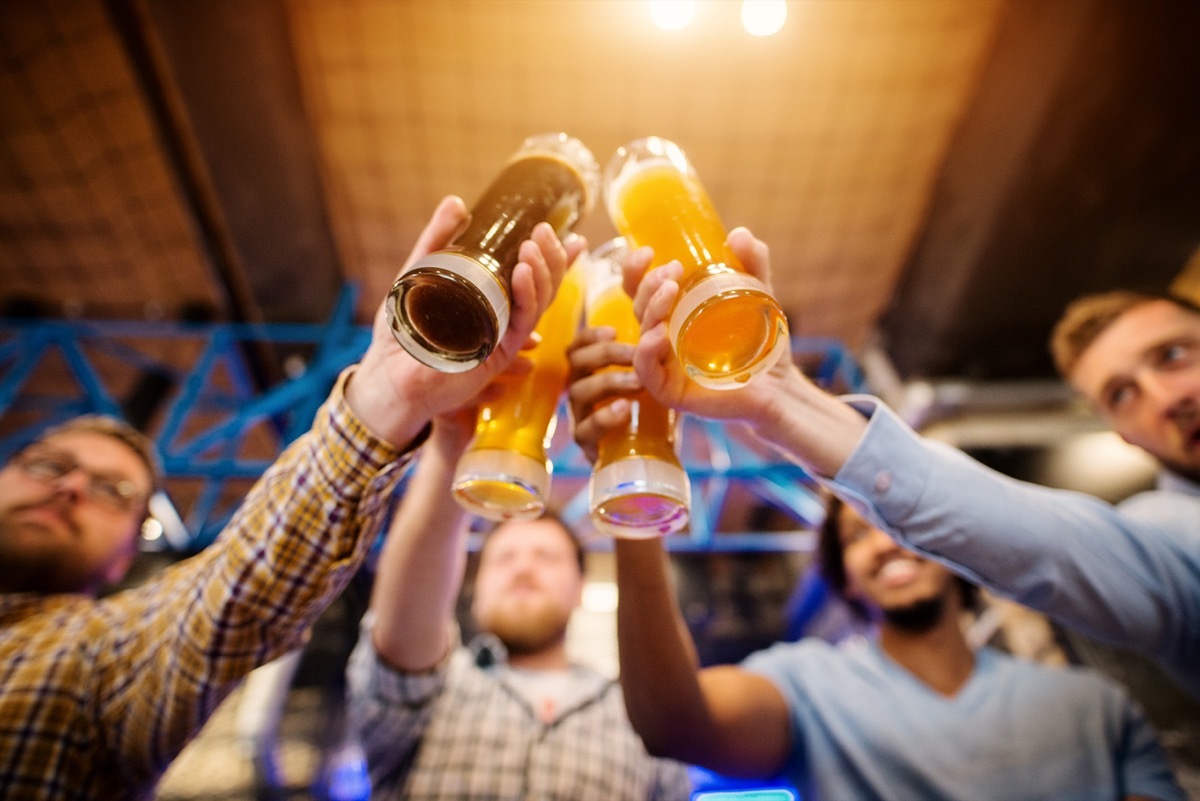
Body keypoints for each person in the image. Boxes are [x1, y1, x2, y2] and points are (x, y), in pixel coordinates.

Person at [0, 194, 582, 801]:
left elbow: (238, 593)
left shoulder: (92, 661)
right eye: (49, 464)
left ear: (127, 555)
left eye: (110, 490)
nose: (68, 488)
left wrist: (391, 395)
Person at [575, 233, 1200, 702]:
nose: (1167, 399)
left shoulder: (1084, 706)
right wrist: (778, 404)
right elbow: (1054, 549)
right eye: (1121, 393)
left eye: (1174, 355)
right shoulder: (1172, 537)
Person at [589, 476, 1185, 799]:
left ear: (956, 546)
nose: (883, 543)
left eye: (898, 522)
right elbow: (673, 725)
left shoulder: (1093, 708)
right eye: (854, 537)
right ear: (844, 574)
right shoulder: (808, 687)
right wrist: (636, 504)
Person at [344, 401, 691, 800]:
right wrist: (452, 442)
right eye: (505, 558)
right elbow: (400, 628)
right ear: (474, 592)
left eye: (546, 557)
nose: (523, 568)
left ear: (580, 589)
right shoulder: (435, 690)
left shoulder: (641, 715)